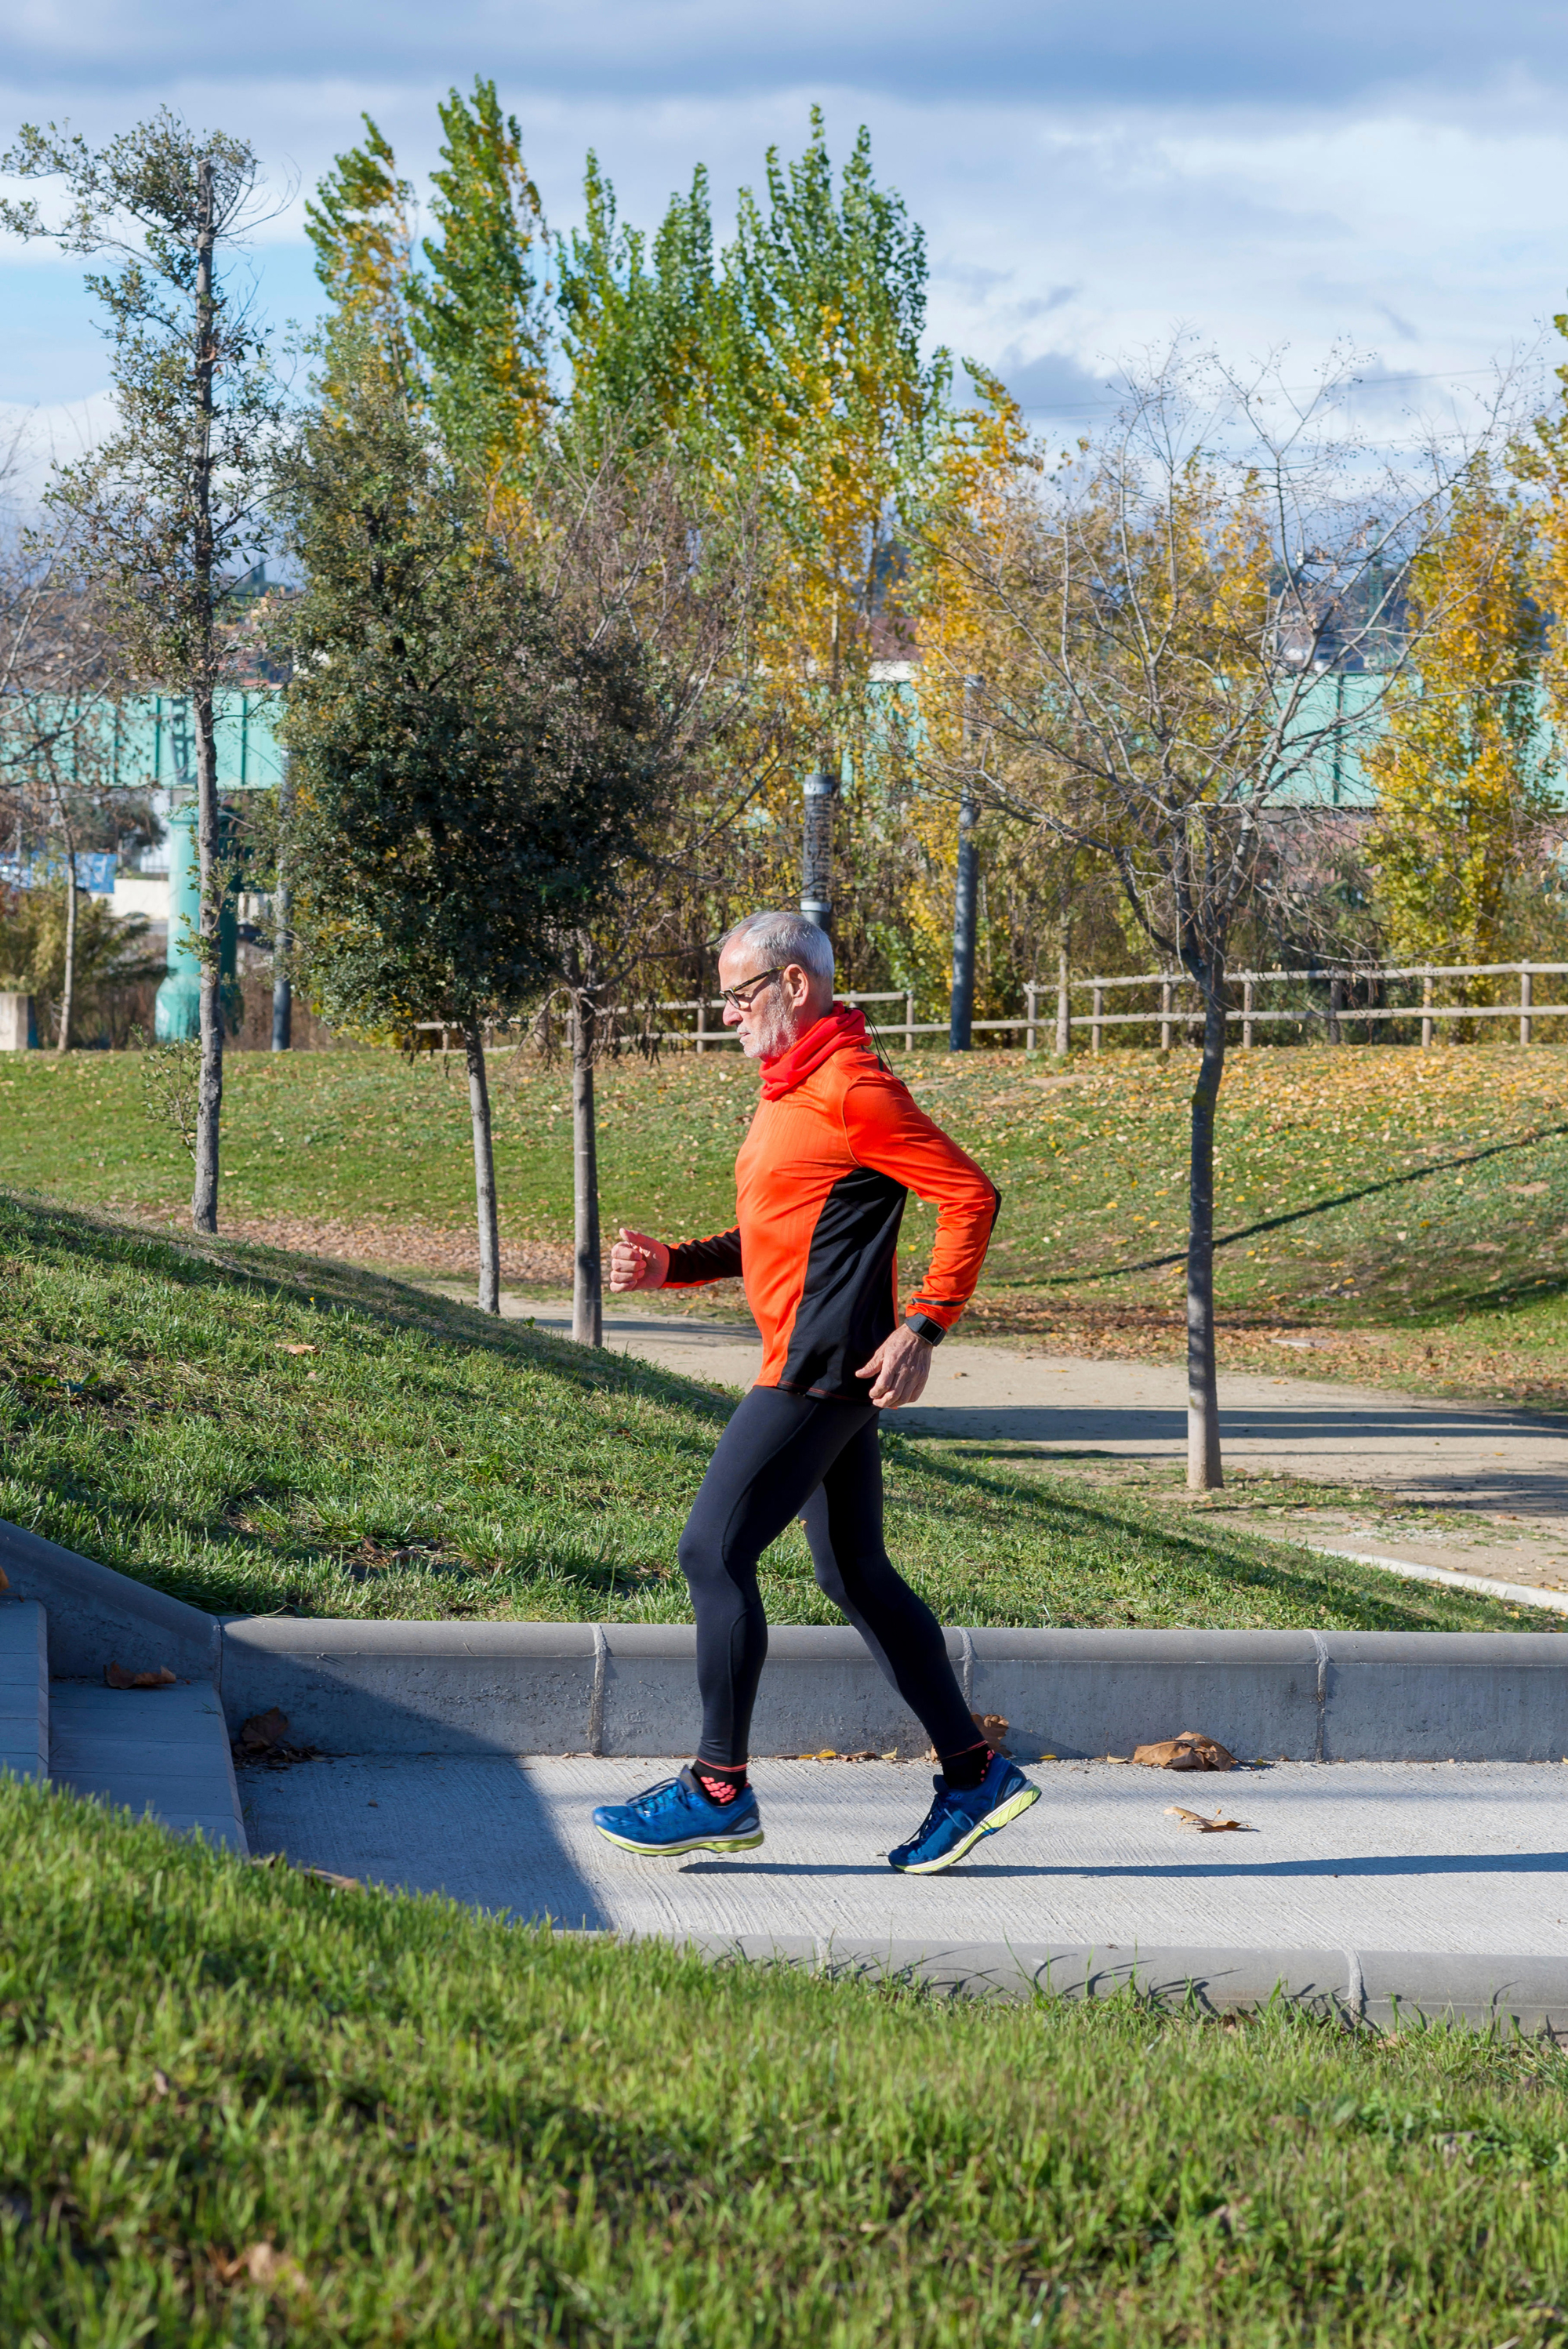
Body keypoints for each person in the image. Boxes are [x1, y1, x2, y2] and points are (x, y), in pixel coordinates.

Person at [590, 909, 1040, 1875]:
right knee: (853, 1573)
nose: (725, 1017)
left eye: (738, 995)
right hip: (819, 1363)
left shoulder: (853, 1087)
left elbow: (969, 1194)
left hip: (817, 1367)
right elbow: (780, 1227)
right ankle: (972, 1773)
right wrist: (672, 1262)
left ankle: (717, 1787)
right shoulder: (787, 1090)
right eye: (721, 999)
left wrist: (924, 1322)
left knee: (710, 1549)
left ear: (795, 985)